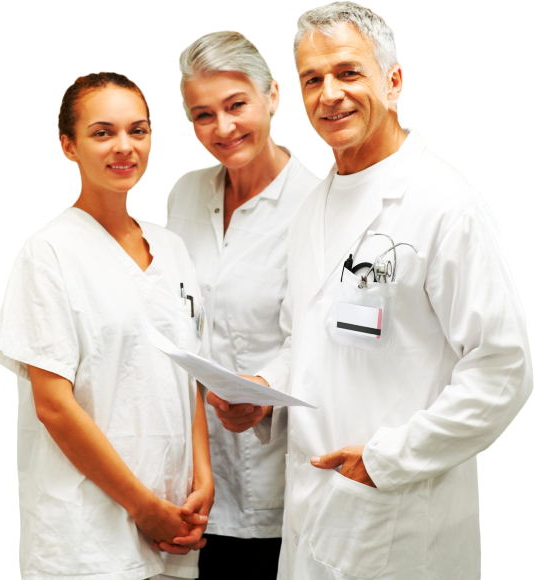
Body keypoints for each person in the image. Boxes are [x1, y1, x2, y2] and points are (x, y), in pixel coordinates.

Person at [206, 2, 532, 579]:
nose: (330, 94)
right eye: (313, 79)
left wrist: (387, 460)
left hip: (398, 519)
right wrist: (263, 390)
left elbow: (502, 371)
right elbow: (302, 342)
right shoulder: (313, 207)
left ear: (393, 79)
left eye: (348, 72)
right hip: (314, 509)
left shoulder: (444, 204)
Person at [0, 72, 214, 580]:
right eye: (102, 132)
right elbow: (53, 405)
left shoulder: (172, 249)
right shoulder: (48, 252)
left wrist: (204, 476)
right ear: (68, 144)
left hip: (175, 518)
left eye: (138, 131)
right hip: (86, 539)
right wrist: (142, 507)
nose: (124, 147)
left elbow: (190, 375)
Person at [165, 30, 321, 579]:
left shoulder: (317, 205)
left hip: (273, 469)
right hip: (190, 473)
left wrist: (261, 390)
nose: (223, 129)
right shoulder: (184, 194)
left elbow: (316, 335)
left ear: (272, 96)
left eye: (236, 105)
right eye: (203, 115)